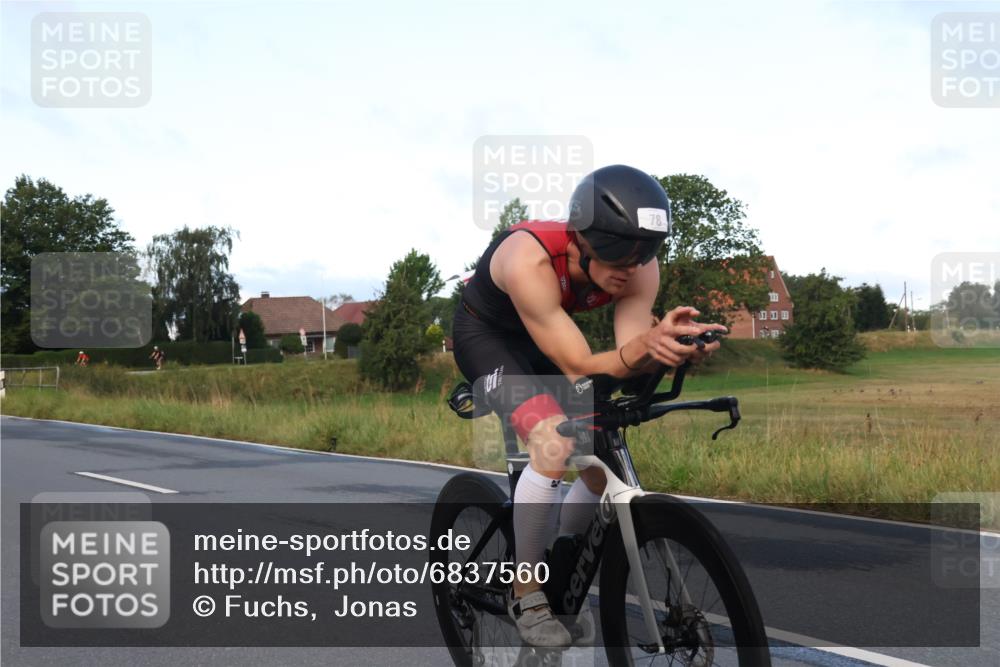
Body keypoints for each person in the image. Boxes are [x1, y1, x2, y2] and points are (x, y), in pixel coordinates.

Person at [452, 165, 725, 647]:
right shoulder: (528, 259)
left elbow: (628, 352)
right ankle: (527, 592)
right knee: (554, 442)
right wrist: (641, 349)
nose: (630, 268)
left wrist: (670, 349)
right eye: (619, 253)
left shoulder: (639, 268)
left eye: (643, 254)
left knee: (600, 467)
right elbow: (580, 363)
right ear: (579, 239)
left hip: (547, 338)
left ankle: (560, 560)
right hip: (489, 340)